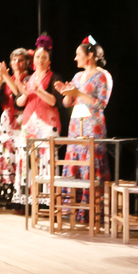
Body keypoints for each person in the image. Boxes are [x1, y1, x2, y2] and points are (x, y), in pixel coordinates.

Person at [55, 36, 113, 218]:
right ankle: (72, 208)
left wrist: (78, 92)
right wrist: (65, 93)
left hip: (93, 126)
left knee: (90, 164)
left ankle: (91, 210)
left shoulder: (103, 75)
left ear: (90, 55)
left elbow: (101, 103)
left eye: (78, 54)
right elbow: (67, 103)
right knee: (76, 162)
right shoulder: (77, 76)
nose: (75, 58)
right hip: (76, 125)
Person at [15, 35, 63, 207]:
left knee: (46, 160)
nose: (40, 59)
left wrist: (40, 90)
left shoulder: (54, 77)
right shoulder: (28, 79)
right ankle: (27, 200)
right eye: (38, 56)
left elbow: (54, 101)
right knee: (27, 159)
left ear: (49, 61)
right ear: (33, 60)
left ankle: (46, 201)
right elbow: (19, 103)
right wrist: (25, 94)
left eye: (44, 57)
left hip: (47, 124)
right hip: (30, 122)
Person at [0, 49, 30, 206]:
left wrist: (5, 76)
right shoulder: (8, 77)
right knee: (7, 158)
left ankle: (19, 194)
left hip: (21, 119)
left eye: (20, 60)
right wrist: (0, 78)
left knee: (20, 157)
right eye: (14, 60)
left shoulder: (28, 78)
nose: (17, 63)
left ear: (26, 62)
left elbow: (18, 95)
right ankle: (9, 194)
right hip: (6, 120)